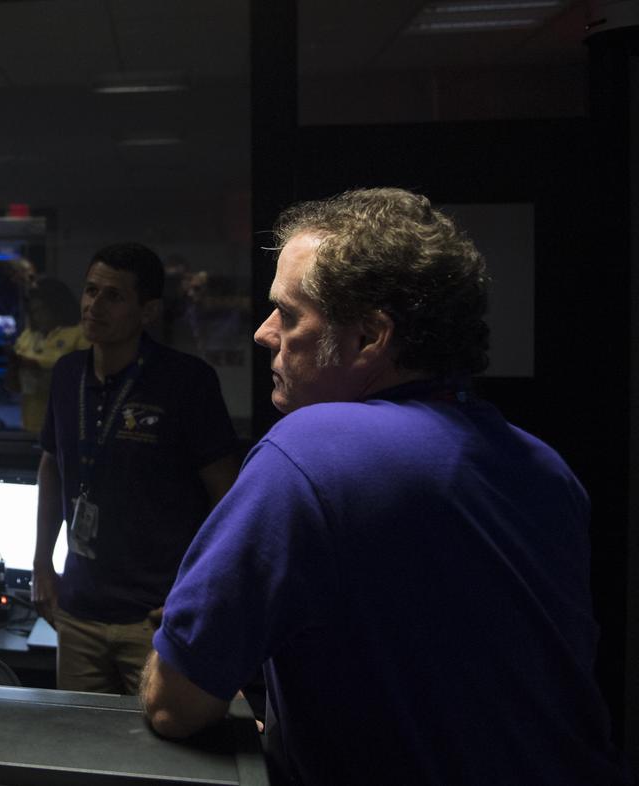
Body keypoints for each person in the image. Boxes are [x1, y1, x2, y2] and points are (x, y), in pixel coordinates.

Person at [141, 188, 631, 785]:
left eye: (289, 314)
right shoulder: (550, 472)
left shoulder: (310, 448)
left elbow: (175, 705)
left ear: (370, 338)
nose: (264, 333)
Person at [33, 241, 240, 694]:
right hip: (80, 609)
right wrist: (41, 564)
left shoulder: (186, 382)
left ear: (148, 312)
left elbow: (229, 497)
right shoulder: (68, 375)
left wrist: (200, 591)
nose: (94, 305)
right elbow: (52, 466)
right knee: (80, 749)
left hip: (156, 613)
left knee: (159, 751)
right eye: (90, 291)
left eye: (114, 296)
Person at [8, 276, 90, 433]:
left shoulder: (80, 335)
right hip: (31, 421)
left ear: (57, 307)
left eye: (42, 310)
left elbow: (82, 376)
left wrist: (37, 365)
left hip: (66, 424)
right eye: (33, 311)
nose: (38, 317)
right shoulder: (28, 335)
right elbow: (14, 384)